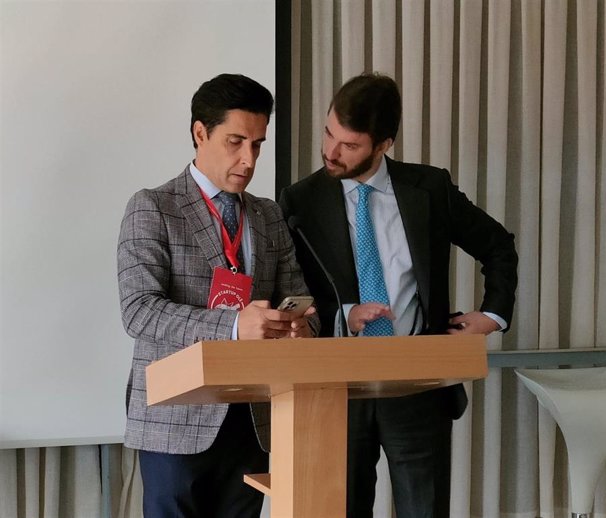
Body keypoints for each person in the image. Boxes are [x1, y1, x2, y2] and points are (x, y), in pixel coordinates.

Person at [279, 72, 518, 518]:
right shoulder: (298, 202)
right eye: (329, 133)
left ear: (383, 144)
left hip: (417, 385)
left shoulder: (429, 189)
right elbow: (290, 289)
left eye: (349, 146)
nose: (331, 151)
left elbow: (498, 246)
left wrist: (492, 316)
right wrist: (342, 315)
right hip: (337, 389)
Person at [117, 73, 319, 518]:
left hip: (253, 419)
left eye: (258, 145)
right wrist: (232, 325)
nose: (248, 159)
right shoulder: (153, 207)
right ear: (200, 133)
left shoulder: (267, 215)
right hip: (175, 420)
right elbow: (139, 311)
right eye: (236, 142)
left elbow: (301, 298)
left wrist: (300, 325)